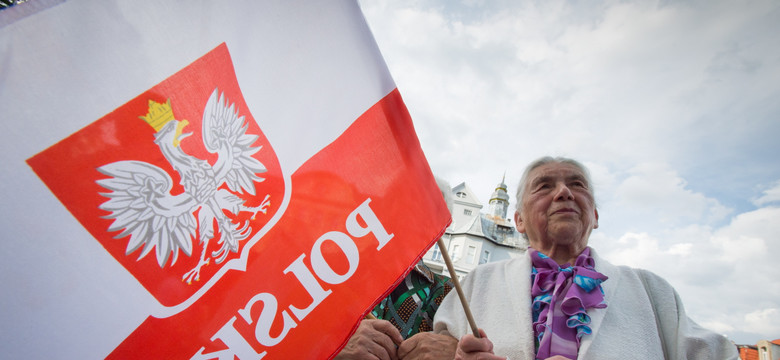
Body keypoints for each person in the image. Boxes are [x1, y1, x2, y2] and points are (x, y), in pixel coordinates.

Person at [433, 156, 738, 360]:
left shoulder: (651, 290)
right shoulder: (477, 284)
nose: (564, 192)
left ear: (594, 215)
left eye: (577, 184)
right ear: (519, 220)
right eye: (544, 186)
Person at [335, 178, 459, 360]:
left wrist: (455, 352)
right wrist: (335, 346)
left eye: (431, 210)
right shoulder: (333, 273)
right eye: (406, 201)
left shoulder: (448, 292)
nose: (415, 215)